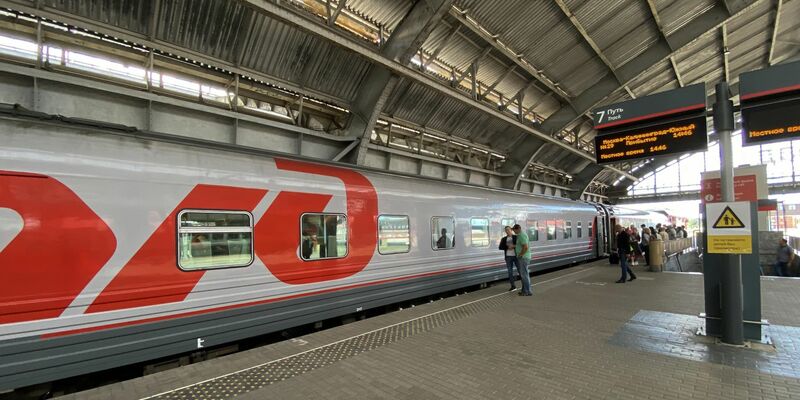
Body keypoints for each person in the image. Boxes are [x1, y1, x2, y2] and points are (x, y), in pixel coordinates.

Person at [512, 224, 532, 296]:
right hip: (524, 257)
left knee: (524, 275)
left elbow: (525, 247)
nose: (514, 231)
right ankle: (525, 290)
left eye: (514, 230)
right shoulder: (520, 235)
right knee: (524, 275)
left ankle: (527, 291)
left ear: (518, 229)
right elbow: (521, 246)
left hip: (523, 258)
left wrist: (520, 255)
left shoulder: (521, 235)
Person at [498, 226, 518, 291]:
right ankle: (513, 286)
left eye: (508, 230)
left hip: (516, 256)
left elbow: (520, 245)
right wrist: (507, 247)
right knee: (510, 272)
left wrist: (513, 246)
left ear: (511, 230)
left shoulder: (516, 237)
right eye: (506, 230)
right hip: (508, 257)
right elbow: (500, 247)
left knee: (520, 270)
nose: (507, 231)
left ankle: (524, 286)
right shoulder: (504, 239)